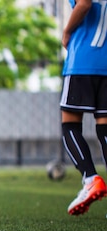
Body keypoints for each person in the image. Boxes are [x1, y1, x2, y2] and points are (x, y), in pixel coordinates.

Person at [60, 0, 107, 216]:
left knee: (70, 125)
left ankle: (90, 178)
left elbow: (84, 3)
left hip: (83, 59)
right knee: (105, 129)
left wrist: (67, 32)